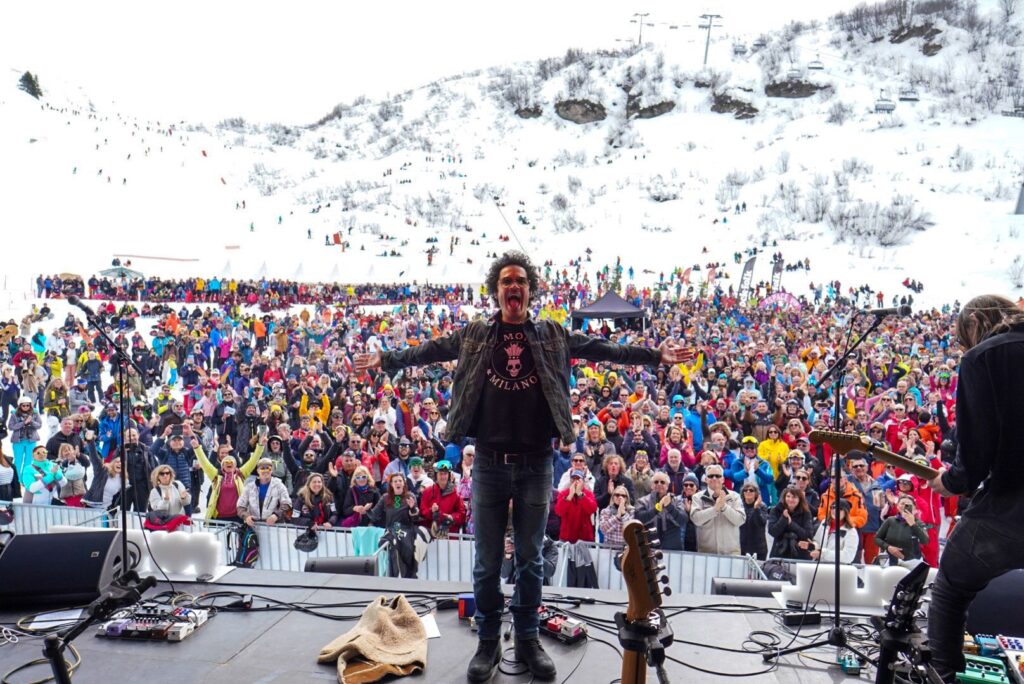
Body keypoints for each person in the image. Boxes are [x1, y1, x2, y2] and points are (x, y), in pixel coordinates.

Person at [354, 251, 693, 684]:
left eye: (521, 281)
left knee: (531, 560)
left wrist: (654, 356)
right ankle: (489, 640)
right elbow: (431, 349)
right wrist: (388, 360)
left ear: (530, 289)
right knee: (487, 562)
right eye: (506, 281)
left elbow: (606, 349)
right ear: (497, 291)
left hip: (536, 464)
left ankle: (529, 638)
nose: (513, 287)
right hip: (490, 464)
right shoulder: (478, 333)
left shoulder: (551, 334)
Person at [927, 295, 1024, 682]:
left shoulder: (984, 357)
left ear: (974, 325)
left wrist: (950, 482)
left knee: (951, 586)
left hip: (1008, 510)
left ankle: (943, 675)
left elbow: (976, 451)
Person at [689, 464, 746, 555]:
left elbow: (740, 520)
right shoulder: (697, 497)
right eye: (710, 476)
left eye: (718, 476)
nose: (714, 478)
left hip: (731, 554)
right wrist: (715, 509)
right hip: (706, 554)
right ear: (706, 479)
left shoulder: (735, 496)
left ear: (723, 479)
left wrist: (724, 507)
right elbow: (696, 519)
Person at [635, 471, 689, 551]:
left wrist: (669, 507)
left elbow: (683, 520)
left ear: (667, 486)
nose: (659, 484)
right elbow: (638, 519)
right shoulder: (643, 501)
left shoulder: (677, 501)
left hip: (673, 550)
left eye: (662, 482)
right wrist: (656, 509)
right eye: (656, 482)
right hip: (649, 550)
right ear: (652, 485)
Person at [874, 495, 929, 566]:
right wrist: (888, 547)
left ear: (914, 507)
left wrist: (913, 524)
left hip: (913, 561)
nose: (905, 506)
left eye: (908, 504)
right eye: (902, 503)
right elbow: (877, 538)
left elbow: (925, 541)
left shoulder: (919, 523)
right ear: (897, 506)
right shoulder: (890, 520)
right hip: (892, 561)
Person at [237, 457, 292, 526]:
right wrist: (246, 516)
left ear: (272, 470)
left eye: (268, 468)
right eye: (262, 468)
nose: (265, 471)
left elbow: (287, 504)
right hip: (254, 525)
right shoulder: (249, 486)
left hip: (274, 526)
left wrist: (276, 515)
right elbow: (240, 506)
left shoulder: (279, 485)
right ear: (258, 471)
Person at [418, 460, 467, 537]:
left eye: (445, 474)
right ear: (436, 475)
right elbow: (422, 512)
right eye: (440, 474)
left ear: (449, 475)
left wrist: (451, 518)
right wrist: (432, 511)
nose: (443, 477)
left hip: (450, 536)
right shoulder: (427, 491)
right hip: (431, 536)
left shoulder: (456, 493)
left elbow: (462, 514)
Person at [767, 486, 815, 560]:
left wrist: (791, 523)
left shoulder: (806, 513)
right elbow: (772, 531)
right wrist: (783, 519)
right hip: (779, 552)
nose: (790, 499)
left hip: (799, 554)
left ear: (799, 499)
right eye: (788, 496)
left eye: (794, 497)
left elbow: (808, 535)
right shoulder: (775, 510)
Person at [806, 499, 858, 564]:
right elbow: (818, 542)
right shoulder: (824, 523)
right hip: (820, 566)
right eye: (832, 507)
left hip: (839, 570)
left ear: (846, 512)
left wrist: (823, 553)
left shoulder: (851, 532)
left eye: (839, 509)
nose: (835, 510)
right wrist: (812, 546)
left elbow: (848, 556)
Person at [554, 467, 598, 543]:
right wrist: (570, 496)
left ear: (583, 481)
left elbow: (592, 509)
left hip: (584, 538)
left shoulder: (589, 494)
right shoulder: (563, 493)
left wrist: (580, 494)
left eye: (578, 479)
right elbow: (559, 511)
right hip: (566, 537)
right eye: (573, 479)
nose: (575, 481)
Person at [598, 484, 636, 551]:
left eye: (623, 496)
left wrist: (623, 514)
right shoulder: (605, 511)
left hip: (626, 549)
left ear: (627, 498)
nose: (620, 497)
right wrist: (617, 517)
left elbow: (631, 530)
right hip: (609, 549)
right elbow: (604, 529)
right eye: (617, 495)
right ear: (613, 497)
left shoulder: (632, 511)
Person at [738, 483, 769, 559]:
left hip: (759, 549)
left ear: (756, 493)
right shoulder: (739, 506)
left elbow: (761, 523)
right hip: (743, 547)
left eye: (751, 490)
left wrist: (756, 508)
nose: (748, 492)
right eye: (745, 490)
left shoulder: (762, 506)